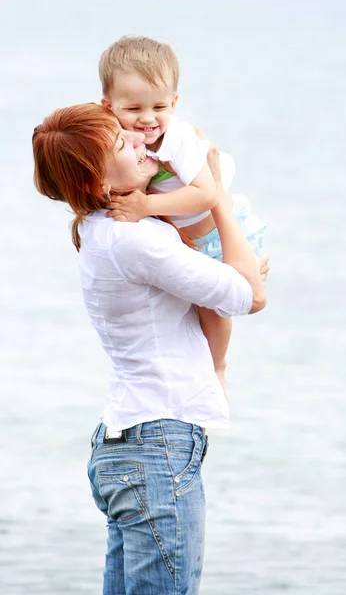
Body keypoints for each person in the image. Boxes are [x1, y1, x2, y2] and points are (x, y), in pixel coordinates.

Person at [32, 102, 268, 595]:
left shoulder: (104, 233)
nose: (141, 140)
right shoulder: (136, 240)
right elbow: (250, 295)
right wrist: (215, 193)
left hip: (128, 445)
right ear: (98, 185)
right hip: (156, 446)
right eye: (122, 143)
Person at [99, 35, 267, 392]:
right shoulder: (121, 141)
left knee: (213, 311)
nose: (148, 119)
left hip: (217, 237)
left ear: (174, 102)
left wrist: (146, 206)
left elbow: (207, 193)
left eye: (159, 107)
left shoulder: (179, 140)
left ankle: (218, 367)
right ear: (109, 106)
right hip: (188, 237)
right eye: (133, 109)